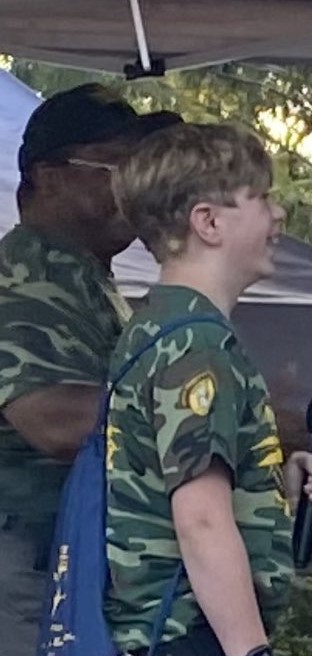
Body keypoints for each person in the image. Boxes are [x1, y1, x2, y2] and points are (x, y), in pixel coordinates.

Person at [104, 122, 312, 656]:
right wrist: (251, 650)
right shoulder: (197, 345)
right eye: (260, 198)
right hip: (187, 635)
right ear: (208, 222)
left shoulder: (158, 328)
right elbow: (202, 519)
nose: (278, 214)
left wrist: (275, 481)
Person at [0, 83, 183, 653]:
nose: (134, 183)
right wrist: (214, 409)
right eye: (116, 165)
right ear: (49, 177)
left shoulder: (84, 280)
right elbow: (50, 419)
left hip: (60, 564)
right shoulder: (25, 276)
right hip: (24, 573)